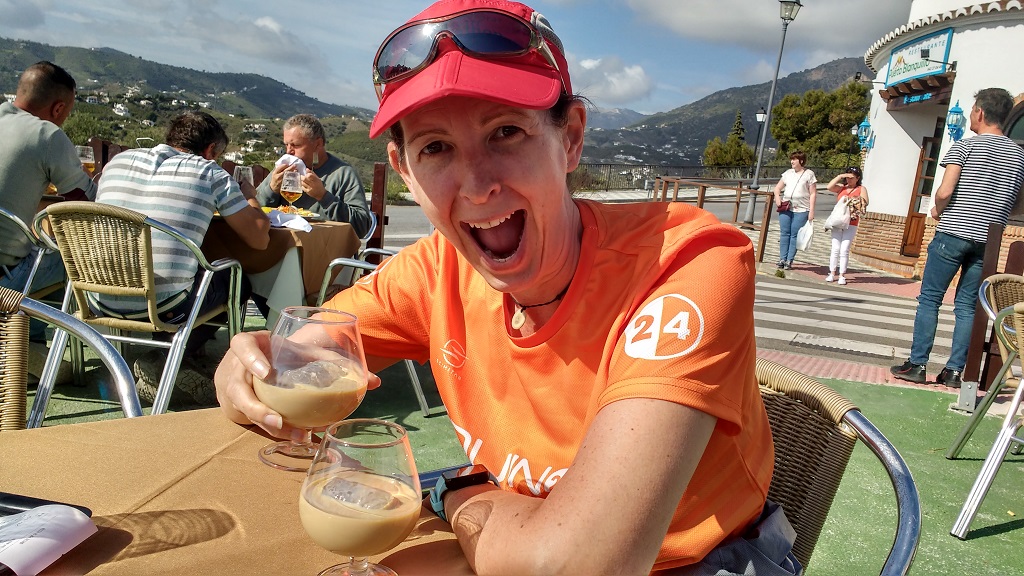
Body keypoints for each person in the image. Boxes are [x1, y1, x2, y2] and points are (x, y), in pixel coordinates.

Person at [215, 2, 800, 574]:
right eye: (436, 148)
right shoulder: (435, 271)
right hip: (518, 538)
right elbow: (303, 355)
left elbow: (582, 564)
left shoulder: (686, 260)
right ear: (406, 172)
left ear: (570, 138)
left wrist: (463, 496)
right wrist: (245, 367)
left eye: (505, 132)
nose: (476, 185)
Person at [96, 111, 270, 404]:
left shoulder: (118, 162)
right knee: (237, 279)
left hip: (96, 295)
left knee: (183, 275)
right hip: (166, 307)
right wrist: (251, 197)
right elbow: (260, 239)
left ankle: (167, 356)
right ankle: (171, 358)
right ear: (211, 150)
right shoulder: (210, 172)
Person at [892, 88, 1024, 389]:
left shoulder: (964, 147)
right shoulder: (1019, 155)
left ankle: (917, 363)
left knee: (930, 298)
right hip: (988, 240)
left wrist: (938, 207)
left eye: (973, 109)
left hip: (954, 231)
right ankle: (954, 371)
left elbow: (945, 191)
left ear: (979, 112)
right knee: (967, 305)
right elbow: (1019, 204)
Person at [0, 62, 97, 341]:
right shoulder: (47, 134)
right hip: (5, 279)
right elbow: (83, 201)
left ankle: (29, 341)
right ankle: (29, 346)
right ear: (58, 109)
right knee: (68, 256)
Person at [256, 113, 372, 238]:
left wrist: (323, 196)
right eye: (286, 145)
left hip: (325, 250)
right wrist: (271, 189)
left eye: (296, 145)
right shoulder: (283, 169)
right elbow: (251, 211)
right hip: (282, 247)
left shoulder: (343, 174)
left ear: (318, 144)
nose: (289, 151)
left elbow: (362, 227)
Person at [823, 166, 869, 286]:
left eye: (852, 178)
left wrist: (852, 200)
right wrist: (840, 176)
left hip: (851, 222)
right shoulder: (841, 188)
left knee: (844, 249)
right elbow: (829, 187)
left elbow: (865, 201)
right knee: (835, 248)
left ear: (858, 178)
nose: (849, 180)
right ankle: (832, 273)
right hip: (838, 221)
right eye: (847, 177)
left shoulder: (861, 188)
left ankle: (842, 275)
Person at [773, 151, 816, 270]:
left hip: (802, 209)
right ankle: (782, 258)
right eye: (791, 159)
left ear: (801, 161)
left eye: (794, 159)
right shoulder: (788, 173)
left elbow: (813, 193)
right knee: (784, 233)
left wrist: (811, 210)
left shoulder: (809, 174)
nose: (792, 162)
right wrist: (777, 198)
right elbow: (777, 188)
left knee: (794, 235)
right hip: (786, 207)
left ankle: (789, 260)